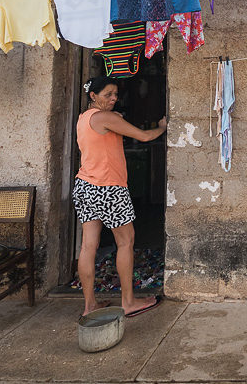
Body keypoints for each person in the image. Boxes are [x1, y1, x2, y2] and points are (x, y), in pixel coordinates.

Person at [73, 75, 167, 317]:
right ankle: (128, 302)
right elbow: (144, 136)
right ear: (93, 96)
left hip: (84, 186)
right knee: (126, 242)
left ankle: (89, 305)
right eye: (108, 95)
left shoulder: (84, 118)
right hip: (109, 188)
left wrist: (116, 119)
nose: (114, 99)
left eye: (116, 94)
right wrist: (162, 127)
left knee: (88, 246)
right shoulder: (105, 117)